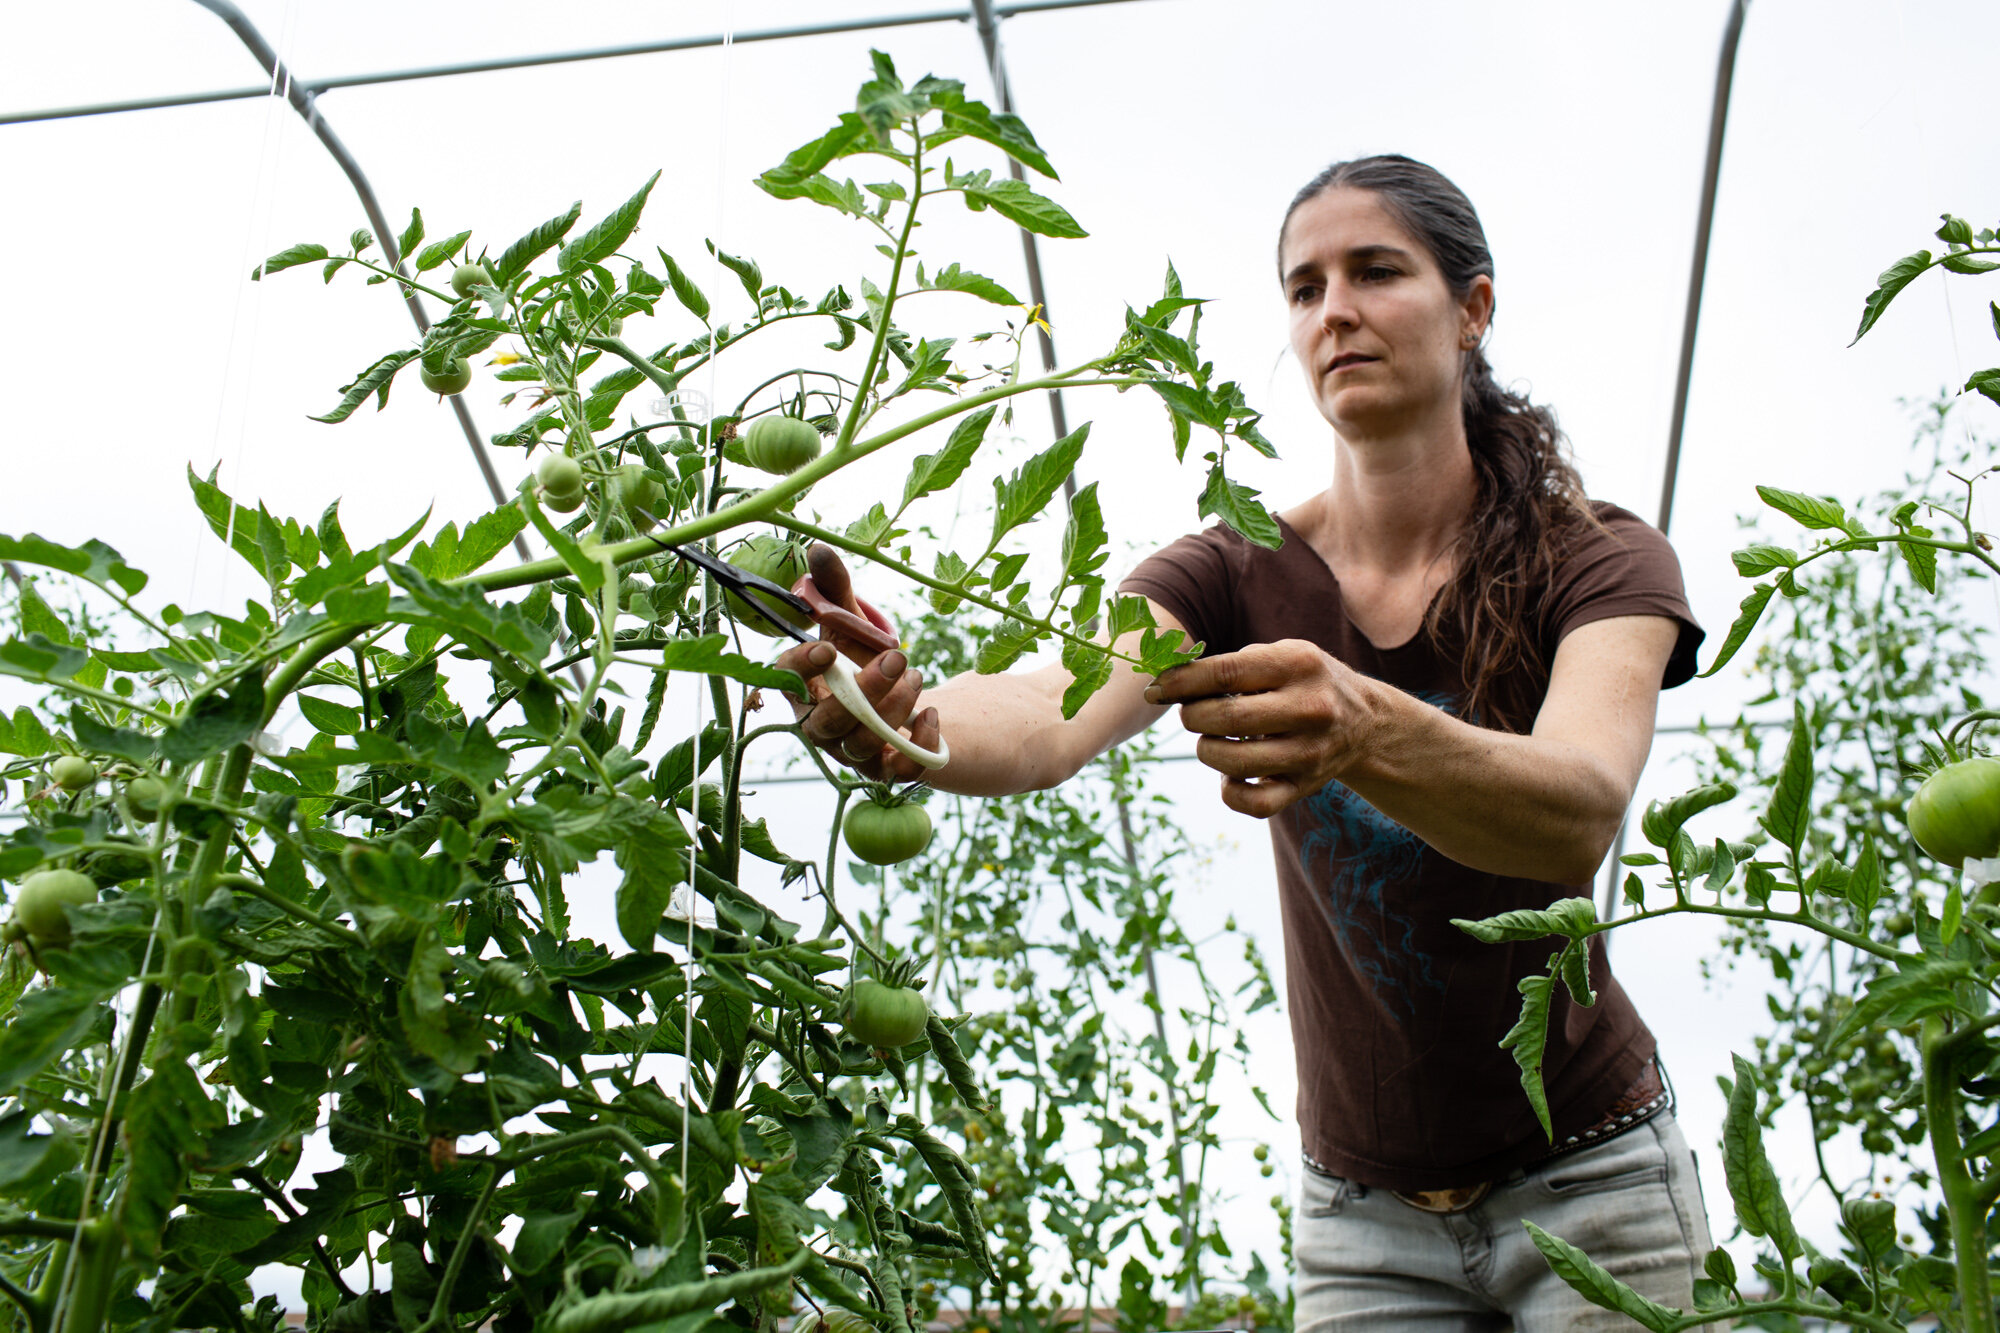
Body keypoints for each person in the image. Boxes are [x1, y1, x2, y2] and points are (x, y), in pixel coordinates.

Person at [779, 154, 1712, 1330]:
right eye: (1303, 286)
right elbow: (1047, 707)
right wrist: (906, 719)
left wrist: (1364, 723)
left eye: (1376, 272)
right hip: (1360, 1218)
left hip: (1591, 1179)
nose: (1335, 311)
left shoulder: (1600, 561)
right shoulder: (1229, 571)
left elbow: (1574, 811)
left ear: (1472, 309)